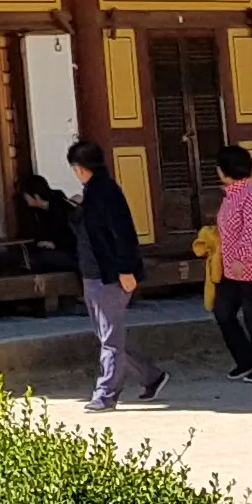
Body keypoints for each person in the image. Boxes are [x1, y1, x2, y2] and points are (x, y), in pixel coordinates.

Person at [66, 139, 163, 410]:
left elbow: (124, 235)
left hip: (109, 275)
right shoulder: (93, 192)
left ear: (80, 168)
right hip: (92, 273)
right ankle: (151, 376)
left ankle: (106, 393)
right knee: (109, 337)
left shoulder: (107, 193)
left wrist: (126, 269)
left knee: (110, 339)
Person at [209, 144, 252, 382]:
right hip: (230, 268)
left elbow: (251, 231)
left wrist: (240, 258)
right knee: (223, 312)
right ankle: (244, 359)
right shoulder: (230, 196)